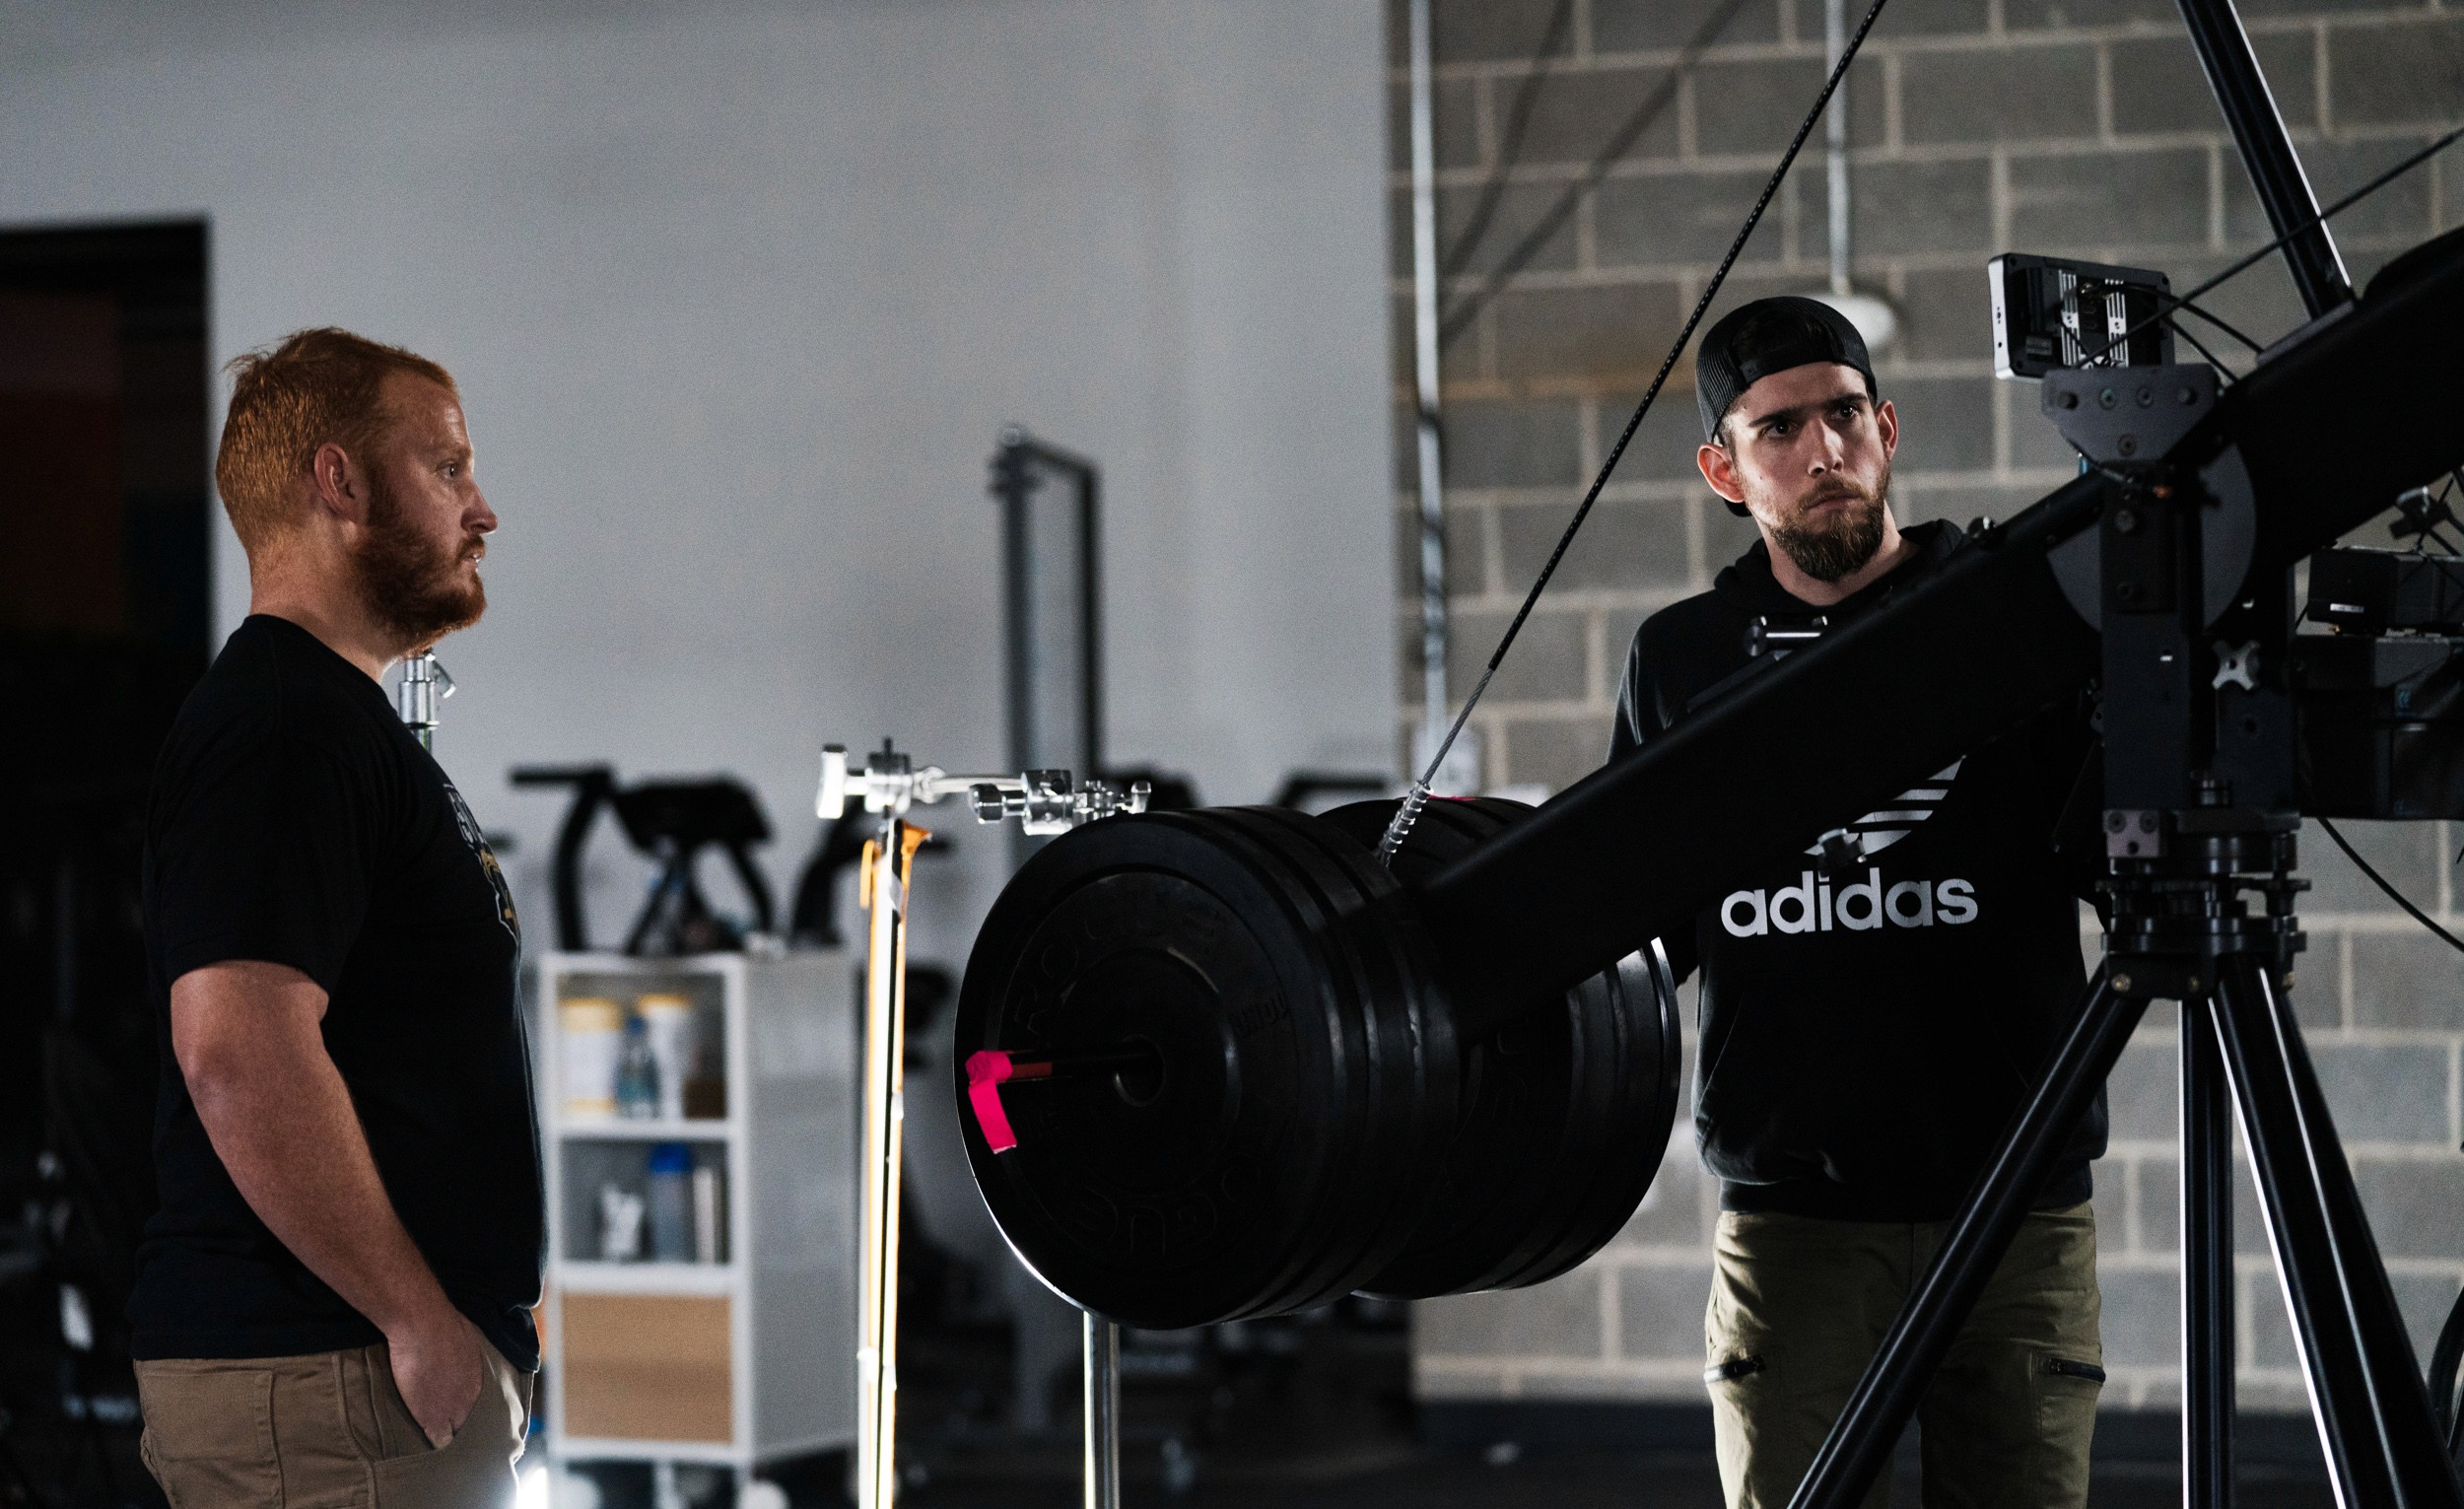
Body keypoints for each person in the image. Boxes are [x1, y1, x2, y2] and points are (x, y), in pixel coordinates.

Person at [1612, 297, 2106, 1508]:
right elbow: (1638, 927)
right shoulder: (1684, 658)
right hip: (1795, 1223)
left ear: (1886, 428)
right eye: (1778, 428)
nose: (1821, 450)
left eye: (1842, 415)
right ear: (1724, 470)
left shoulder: (2008, 614)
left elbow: (2121, 856)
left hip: (2015, 1203)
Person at [131, 328, 538, 1505]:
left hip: (348, 1379)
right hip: (327, 1381)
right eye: (448, 468)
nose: (482, 511)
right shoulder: (280, 725)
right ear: (340, 482)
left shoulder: (328, 722)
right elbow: (236, 1051)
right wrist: (417, 1317)